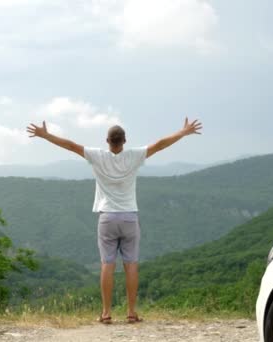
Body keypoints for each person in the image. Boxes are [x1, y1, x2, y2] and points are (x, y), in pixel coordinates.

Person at [26, 117, 203, 324]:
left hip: (107, 217)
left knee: (107, 265)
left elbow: (71, 145)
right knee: (131, 265)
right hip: (129, 217)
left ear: (107, 140)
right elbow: (160, 144)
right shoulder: (134, 156)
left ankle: (106, 313)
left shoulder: (97, 156)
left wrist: (45, 135)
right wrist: (183, 132)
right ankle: (131, 312)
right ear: (124, 141)